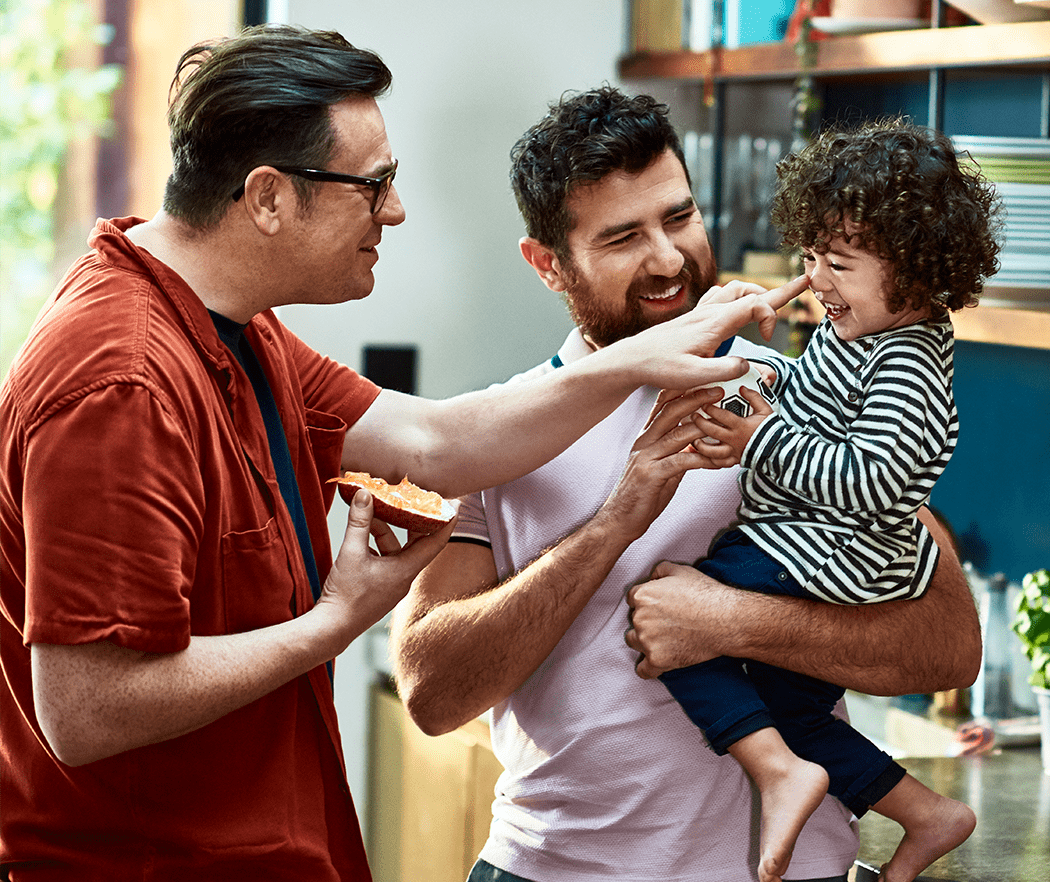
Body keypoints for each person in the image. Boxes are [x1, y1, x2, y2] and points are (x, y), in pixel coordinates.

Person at [0, 29, 797, 882]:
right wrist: (336, 621)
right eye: (373, 184)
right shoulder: (122, 381)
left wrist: (643, 354)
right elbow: (86, 709)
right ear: (268, 198)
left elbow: (437, 442)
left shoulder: (237, 331)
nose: (395, 210)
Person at [391, 86, 983, 882]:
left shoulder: (803, 396)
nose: (668, 259)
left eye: (679, 217)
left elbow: (949, 645)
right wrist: (616, 522)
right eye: (623, 237)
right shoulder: (492, 433)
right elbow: (431, 694)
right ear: (547, 264)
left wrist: (732, 621)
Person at [662, 118, 1001, 882]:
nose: (817, 278)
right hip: (816, 547)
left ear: (916, 271)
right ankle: (924, 814)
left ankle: (778, 773)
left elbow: (871, 478)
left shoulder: (909, 361)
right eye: (811, 256)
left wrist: (760, 442)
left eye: (838, 263)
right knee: (799, 710)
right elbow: (816, 406)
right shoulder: (855, 330)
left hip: (831, 554)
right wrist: (765, 376)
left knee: (672, 616)